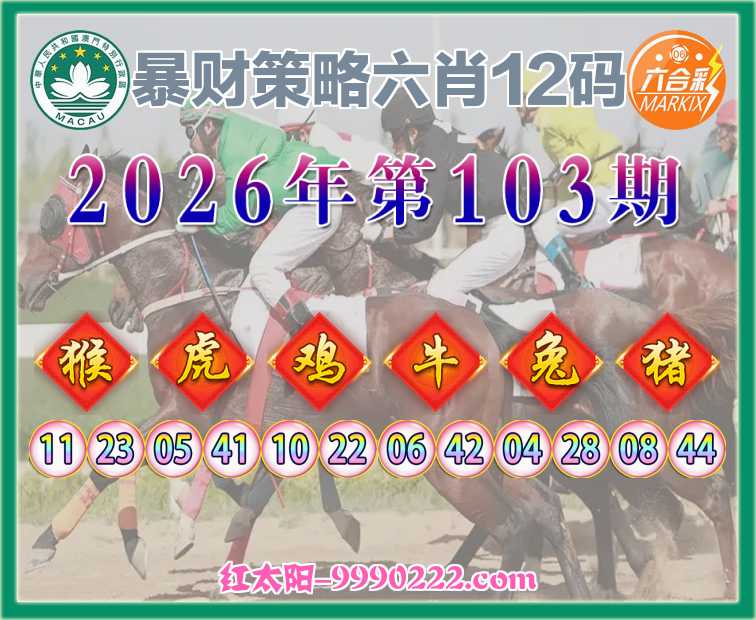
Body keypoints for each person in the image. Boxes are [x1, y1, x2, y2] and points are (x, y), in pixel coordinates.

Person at [179, 104, 347, 332]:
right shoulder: (237, 135)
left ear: (207, 127)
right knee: (255, 282)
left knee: (262, 268)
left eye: (189, 132)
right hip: (312, 196)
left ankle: (309, 333)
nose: (189, 143)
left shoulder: (234, 148)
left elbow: (237, 215)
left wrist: (201, 220)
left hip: (317, 203)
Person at [517, 71, 622, 275]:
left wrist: (570, 164)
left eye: (520, 100)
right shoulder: (550, 120)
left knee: (543, 226)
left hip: (604, 192)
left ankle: (575, 281)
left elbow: (590, 140)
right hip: (601, 191)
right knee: (554, 228)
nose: (517, 108)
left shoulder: (552, 117)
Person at [692, 99, 738, 251]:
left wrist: (721, 205)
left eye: (722, 130)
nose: (718, 138)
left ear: (735, 131)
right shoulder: (734, 164)